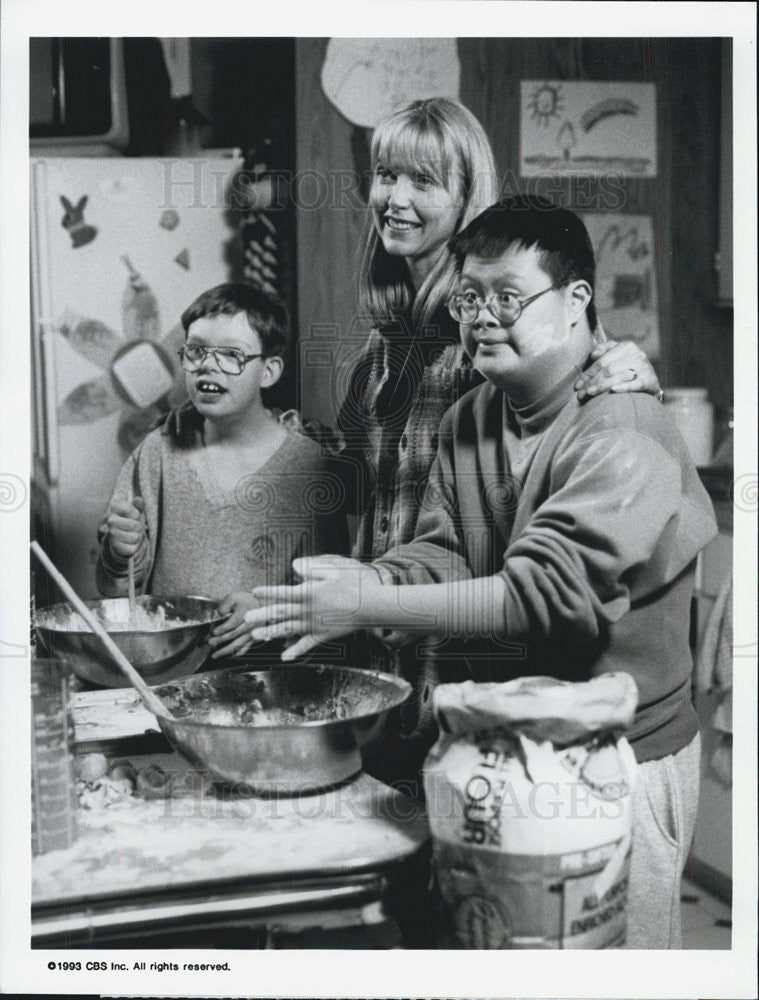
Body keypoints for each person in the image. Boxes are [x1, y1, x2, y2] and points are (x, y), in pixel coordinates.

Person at [245, 196, 717, 948]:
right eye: (469, 297)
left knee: (615, 977)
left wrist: (367, 603)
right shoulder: (471, 414)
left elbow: (549, 596)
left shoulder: (620, 424)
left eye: (507, 297)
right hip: (504, 745)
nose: (481, 317)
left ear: (574, 303)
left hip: (616, 756)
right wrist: (374, 579)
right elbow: (448, 550)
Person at [330, 97, 662, 785]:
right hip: (387, 638)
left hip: (466, 659)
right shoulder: (381, 347)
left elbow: (596, 379)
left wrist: (634, 370)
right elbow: (374, 498)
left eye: (423, 181)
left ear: (465, 198)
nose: (394, 198)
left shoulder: (495, 339)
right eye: (385, 175)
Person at [96, 282, 346, 654]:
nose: (207, 366)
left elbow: (331, 597)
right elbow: (115, 590)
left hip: (272, 683)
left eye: (231, 354)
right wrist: (119, 552)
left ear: (269, 372)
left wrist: (269, 614)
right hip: (171, 672)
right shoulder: (157, 454)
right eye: (196, 351)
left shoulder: (312, 467)